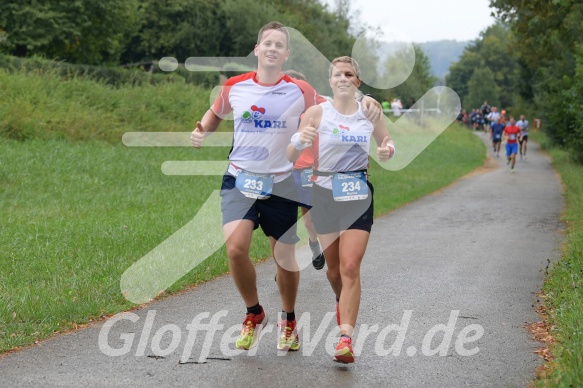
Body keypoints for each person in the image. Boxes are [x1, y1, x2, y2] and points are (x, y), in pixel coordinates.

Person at [190, 21, 382, 353]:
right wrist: (203, 129)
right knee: (235, 248)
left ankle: (289, 319)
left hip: (281, 183)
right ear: (257, 49)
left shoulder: (301, 89)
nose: (273, 48)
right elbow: (216, 112)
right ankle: (254, 312)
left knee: (284, 258)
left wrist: (368, 104)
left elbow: (339, 101)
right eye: (268, 43)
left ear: (286, 53)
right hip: (239, 178)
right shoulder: (234, 86)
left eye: (280, 45)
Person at [287, 56, 395, 363]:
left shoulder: (369, 110)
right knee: (333, 270)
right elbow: (291, 151)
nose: (344, 78)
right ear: (331, 81)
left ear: (357, 82)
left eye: (350, 74)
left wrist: (387, 150)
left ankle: (345, 338)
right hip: (323, 193)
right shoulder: (317, 112)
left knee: (349, 266)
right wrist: (299, 139)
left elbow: (386, 141)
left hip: (357, 191)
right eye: (338, 74)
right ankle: (341, 299)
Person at [283, 69, 325, 271]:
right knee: (283, 222)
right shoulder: (277, 111)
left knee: (309, 222)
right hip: (283, 171)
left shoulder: (317, 110)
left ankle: (314, 244)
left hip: (307, 169)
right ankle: (283, 267)